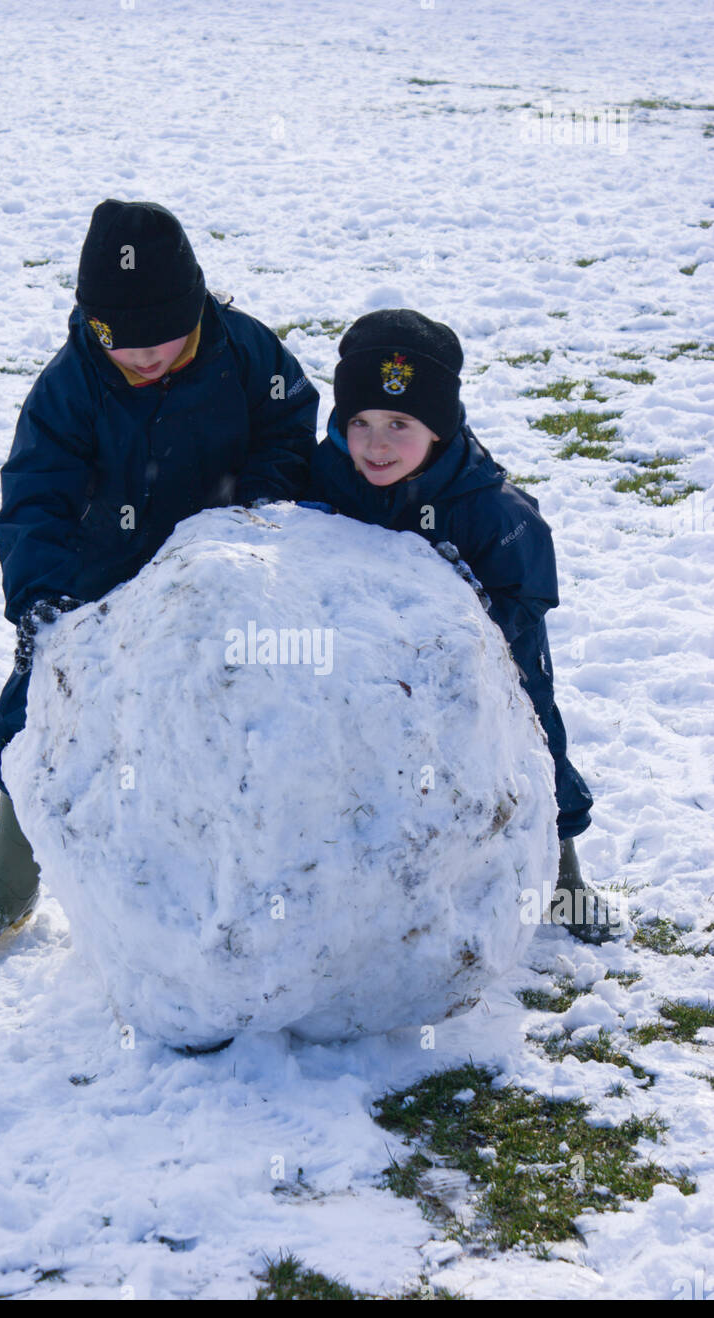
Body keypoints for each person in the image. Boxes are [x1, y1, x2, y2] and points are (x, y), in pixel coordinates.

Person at [0, 199, 318, 960]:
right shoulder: (72, 382)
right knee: (36, 721)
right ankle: (9, 885)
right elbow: (34, 495)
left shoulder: (245, 351)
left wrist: (257, 508)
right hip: (99, 582)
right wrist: (42, 600)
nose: (143, 358)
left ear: (196, 309)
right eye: (122, 343)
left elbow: (289, 424)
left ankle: (226, 882)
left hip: (219, 571)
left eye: (162, 340)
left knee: (218, 714)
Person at [300, 308, 616, 945]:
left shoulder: (488, 508)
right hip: (365, 659)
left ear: (438, 429)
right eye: (358, 422)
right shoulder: (324, 478)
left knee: (529, 741)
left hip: (494, 661)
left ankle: (561, 874)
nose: (376, 444)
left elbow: (527, 591)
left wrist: (476, 627)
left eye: (399, 424)